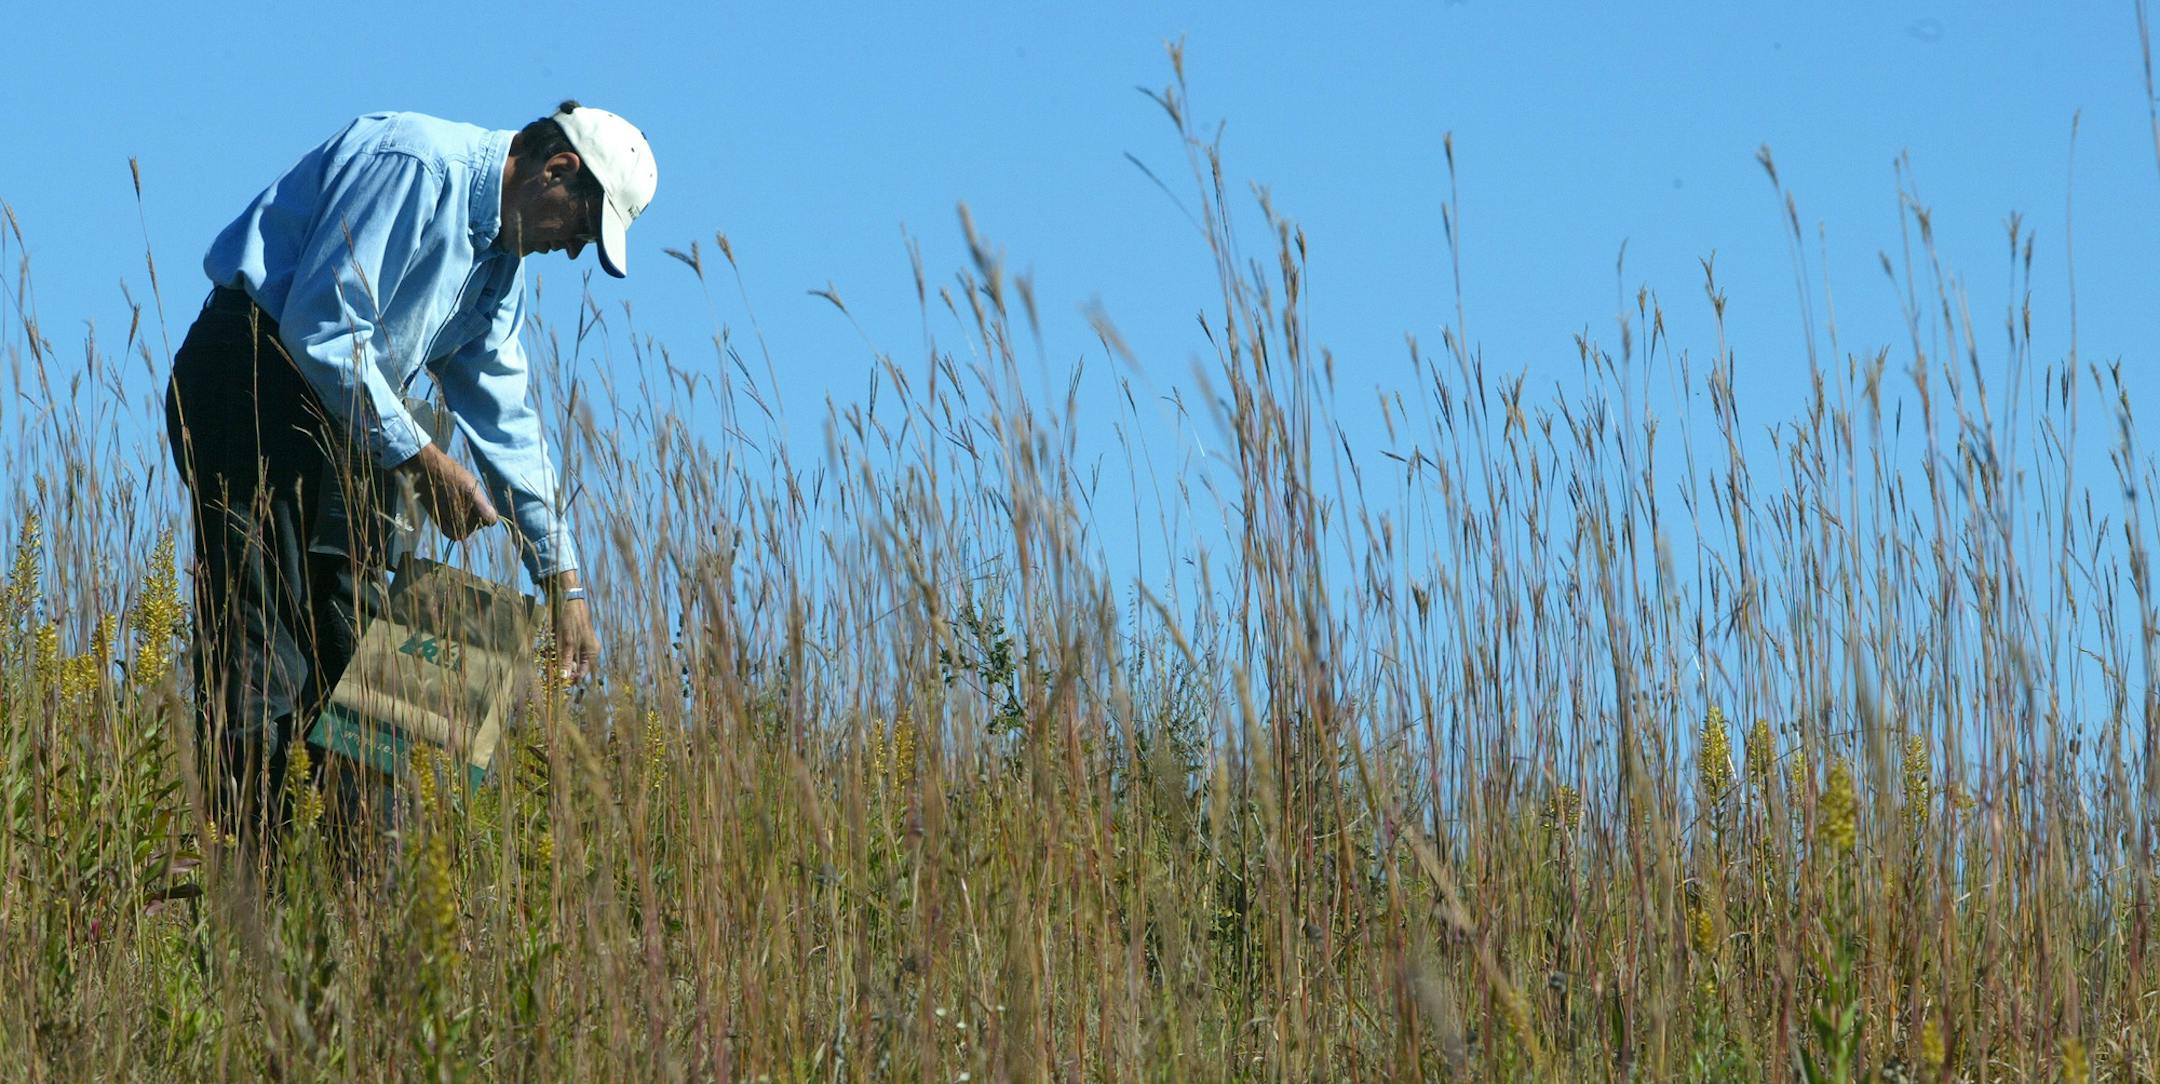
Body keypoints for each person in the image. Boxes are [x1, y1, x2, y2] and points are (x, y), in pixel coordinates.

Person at [164, 100, 657, 854]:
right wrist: (425, 463)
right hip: (253, 378)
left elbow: (506, 417)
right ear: (559, 171)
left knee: (372, 682)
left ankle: (369, 926)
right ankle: (243, 898)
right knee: (263, 654)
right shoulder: (416, 167)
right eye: (582, 229)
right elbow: (321, 330)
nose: (573, 250)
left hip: (352, 423)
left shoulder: (499, 263)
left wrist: (564, 581)